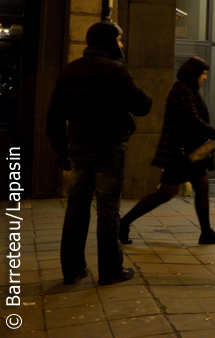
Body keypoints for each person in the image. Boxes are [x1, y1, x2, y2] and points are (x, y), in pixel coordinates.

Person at [46, 21, 152, 286]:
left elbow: (54, 118)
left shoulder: (69, 71)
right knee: (108, 210)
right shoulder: (115, 70)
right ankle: (110, 270)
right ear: (108, 41)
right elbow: (143, 105)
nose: (122, 44)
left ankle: (72, 269)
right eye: (119, 39)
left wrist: (61, 150)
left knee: (76, 208)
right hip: (109, 149)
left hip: (78, 148)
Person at [119, 57, 215, 245]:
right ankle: (123, 223)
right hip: (179, 154)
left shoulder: (187, 90)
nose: (204, 77)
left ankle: (206, 232)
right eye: (202, 74)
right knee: (166, 193)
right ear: (193, 74)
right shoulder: (181, 91)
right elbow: (191, 119)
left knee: (200, 187)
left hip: (188, 153)